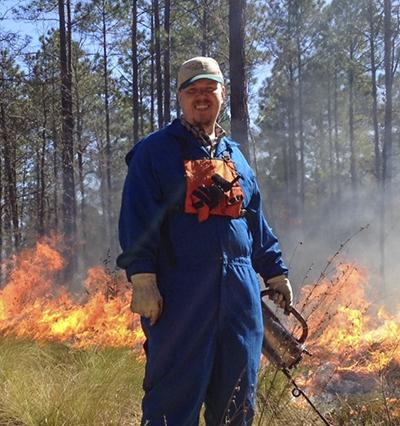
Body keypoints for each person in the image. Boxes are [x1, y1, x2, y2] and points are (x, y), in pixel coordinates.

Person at [117, 56, 293, 426]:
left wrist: (274, 272)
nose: (201, 97)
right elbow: (137, 218)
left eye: (208, 89)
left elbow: (254, 219)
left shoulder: (237, 158)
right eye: (192, 91)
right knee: (172, 402)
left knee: (236, 403)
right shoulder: (155, 151)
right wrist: (143, 278)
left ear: (222, 94)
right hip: (182, 295)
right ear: (180, 98)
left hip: (239, 299)